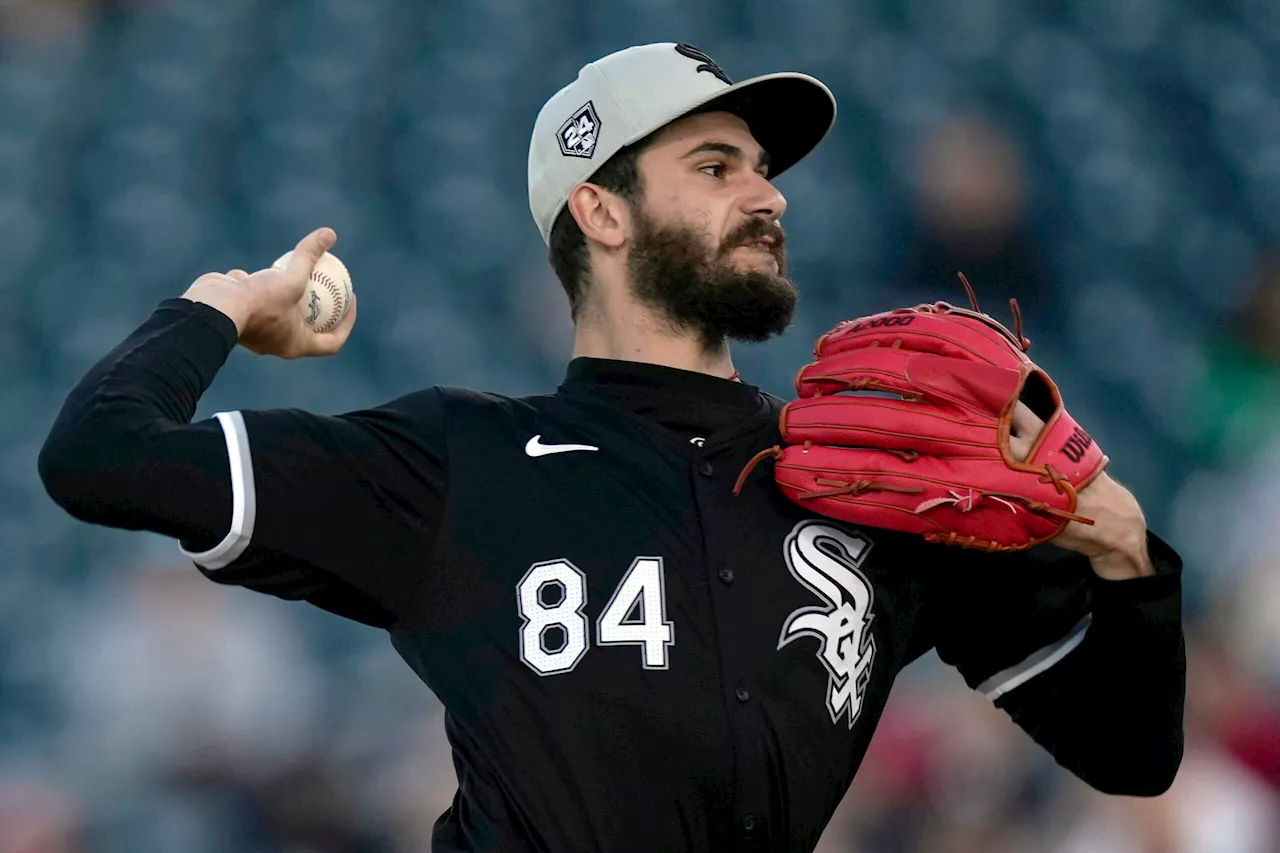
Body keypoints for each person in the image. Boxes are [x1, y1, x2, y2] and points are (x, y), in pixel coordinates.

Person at [39, 43, 1185, 853]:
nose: (765, 195)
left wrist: (1131, 560)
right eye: (714, 166)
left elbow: (1129, 752)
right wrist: (216, 309)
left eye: (762, 168)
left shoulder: (869, 482)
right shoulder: (456, 463)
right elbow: (98, 454)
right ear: (600, 210)